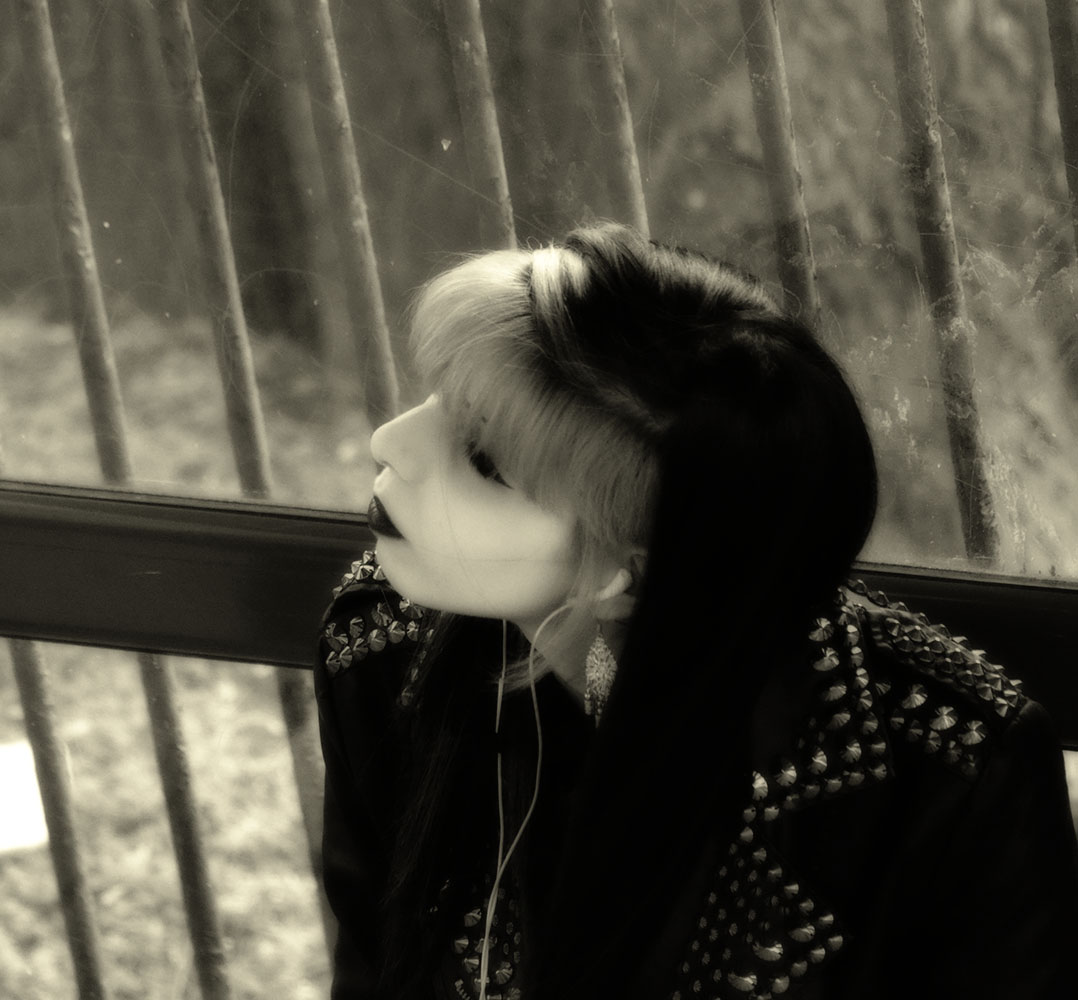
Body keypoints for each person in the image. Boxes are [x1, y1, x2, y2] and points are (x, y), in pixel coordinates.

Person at [314, 223, 1078, 1000]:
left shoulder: (950, 772)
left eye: (484, 460)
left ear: (628, 572)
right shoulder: (386, 646)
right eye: (438, 397)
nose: (390, 441)